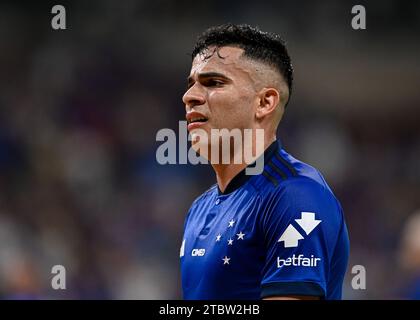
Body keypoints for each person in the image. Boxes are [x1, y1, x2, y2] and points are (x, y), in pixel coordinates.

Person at [180, 24, 349, 300]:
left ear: (265, 102)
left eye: (213, 83)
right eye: (191, 84)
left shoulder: (296, 195)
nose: (189, 97)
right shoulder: (198, 209)